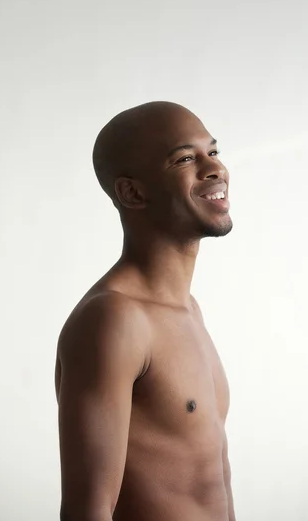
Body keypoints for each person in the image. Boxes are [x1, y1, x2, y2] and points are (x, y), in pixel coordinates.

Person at [55, 101, 236, 521]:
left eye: (213, 151)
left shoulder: (189, 310)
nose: (214, 168)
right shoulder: (114, 321)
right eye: (185, 158)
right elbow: (88, 511)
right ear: (133, 192)